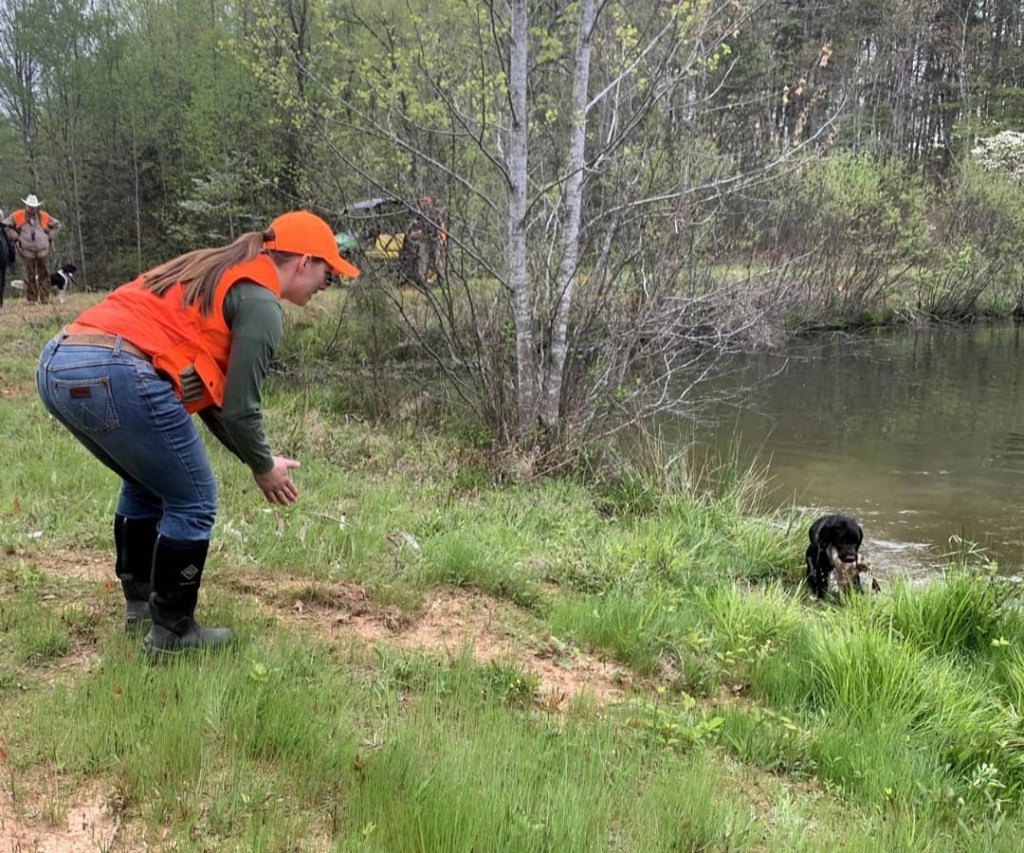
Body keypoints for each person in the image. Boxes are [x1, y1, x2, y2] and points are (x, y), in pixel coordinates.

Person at [36, 211, 359, 656]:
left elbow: (212, 399)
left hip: (59, 362)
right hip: (114, 368)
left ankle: (140, 608)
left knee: (148, 482)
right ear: (303, 261)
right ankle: (173, 632)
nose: (328, 283)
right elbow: (241, 410)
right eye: (328, 271)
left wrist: (258, 460)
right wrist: (263, 466)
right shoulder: (261, 302)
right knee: (195, 499)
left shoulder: (219, 269)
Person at [3, 194, 62, 304]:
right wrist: (16, 237)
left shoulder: (44, 216)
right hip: (26, 250)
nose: (32, 208)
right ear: (26, 206)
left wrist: (49, 236)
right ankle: (31, 299)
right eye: (30, 206)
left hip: (42, 250)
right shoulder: (18, 215)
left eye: (34, 206)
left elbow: (57, 225)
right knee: (30, 274)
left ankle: (45, 298)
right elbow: (5, 226)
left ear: (37, 207)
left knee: (44, 274)